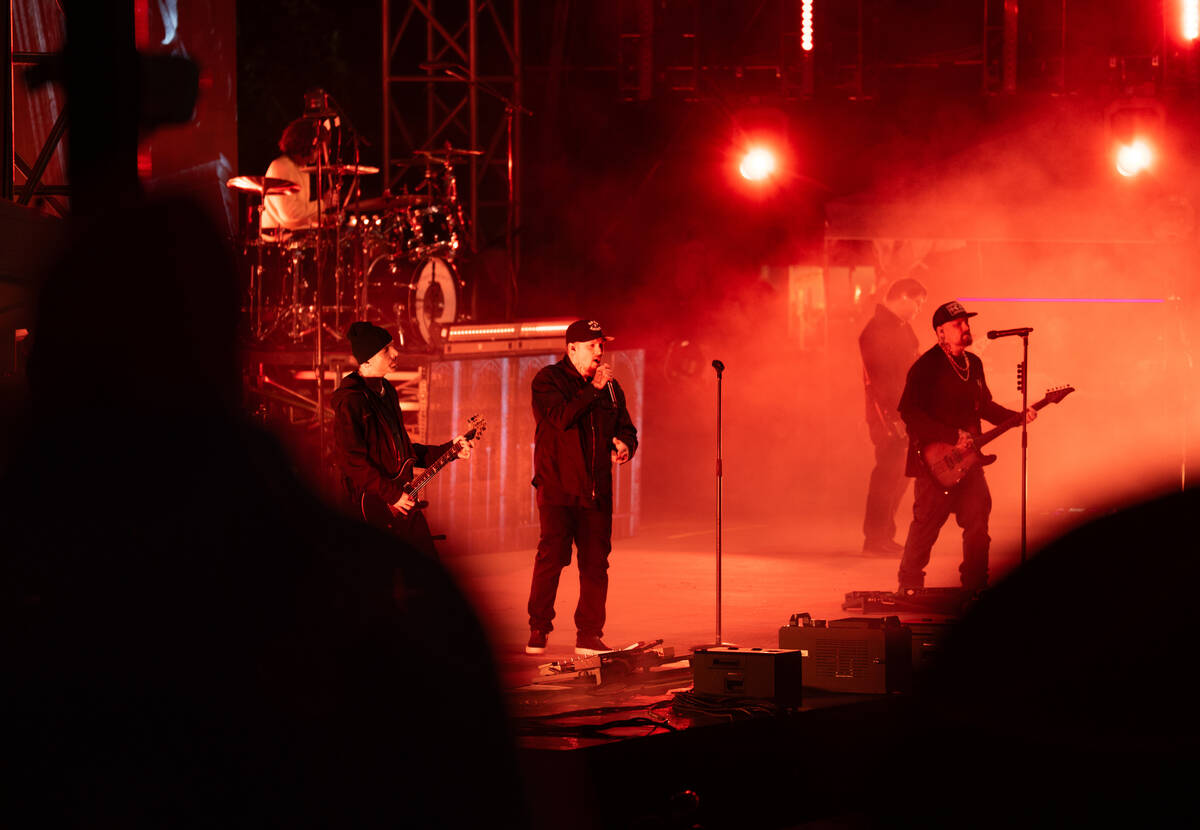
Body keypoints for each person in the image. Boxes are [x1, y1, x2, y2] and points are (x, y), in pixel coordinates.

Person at [896, 301, 1035, 592]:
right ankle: (909, 586)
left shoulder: (974, 364)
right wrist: (949, 435)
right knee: (926, 526)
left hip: (970, 463)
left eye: (966, 323)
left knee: (978, 525)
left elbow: (984, 406)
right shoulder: (926, 367)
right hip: (934, 464)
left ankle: (975, 585)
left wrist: (1017, 417)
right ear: (940, 332)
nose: (965, 328)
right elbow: (908, 411)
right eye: (957, 324)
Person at [525, 319, 638, 656]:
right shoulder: (548, 380)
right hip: (558, 487)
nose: (599, 353)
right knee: (553, 557)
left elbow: (627, 427)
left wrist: (625, 445)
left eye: (602, 345)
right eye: (592, 346)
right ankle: (539, 626)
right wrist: (593, 390)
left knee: (595, 563)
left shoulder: (611, 388)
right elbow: (561, 418)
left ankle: (589, 634)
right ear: (571, 348)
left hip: (596, 490)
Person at [331, 321, 473, 557]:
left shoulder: (387, 391)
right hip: (373, 507)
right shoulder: (351, 401)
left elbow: (404, 452)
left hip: (402, 499)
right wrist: (392, 495)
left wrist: (451, 449)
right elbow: (352, 461)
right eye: (386, 349)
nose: (395, 353)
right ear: (367, 360)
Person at [858, 277, 926, 556]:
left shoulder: (901, 328)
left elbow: (912, 365)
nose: (919, 309)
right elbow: (881, 380)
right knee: (887, 476)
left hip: (903, 413)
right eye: (918, 302)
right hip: (889, 416)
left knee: (899, 476)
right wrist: (895, 416)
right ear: (902, 297)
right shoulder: (875, 331)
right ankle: (875, 539)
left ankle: (884, 535)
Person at [261, 117, 336, 236]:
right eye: (318, 147)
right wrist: (323, 204)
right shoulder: (281, 167)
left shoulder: (301, 168)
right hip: (277, 241)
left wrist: (323, 218)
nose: (320, 152)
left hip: (292, 236)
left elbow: (300, 215)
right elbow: (291, 215)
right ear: (308, 145)